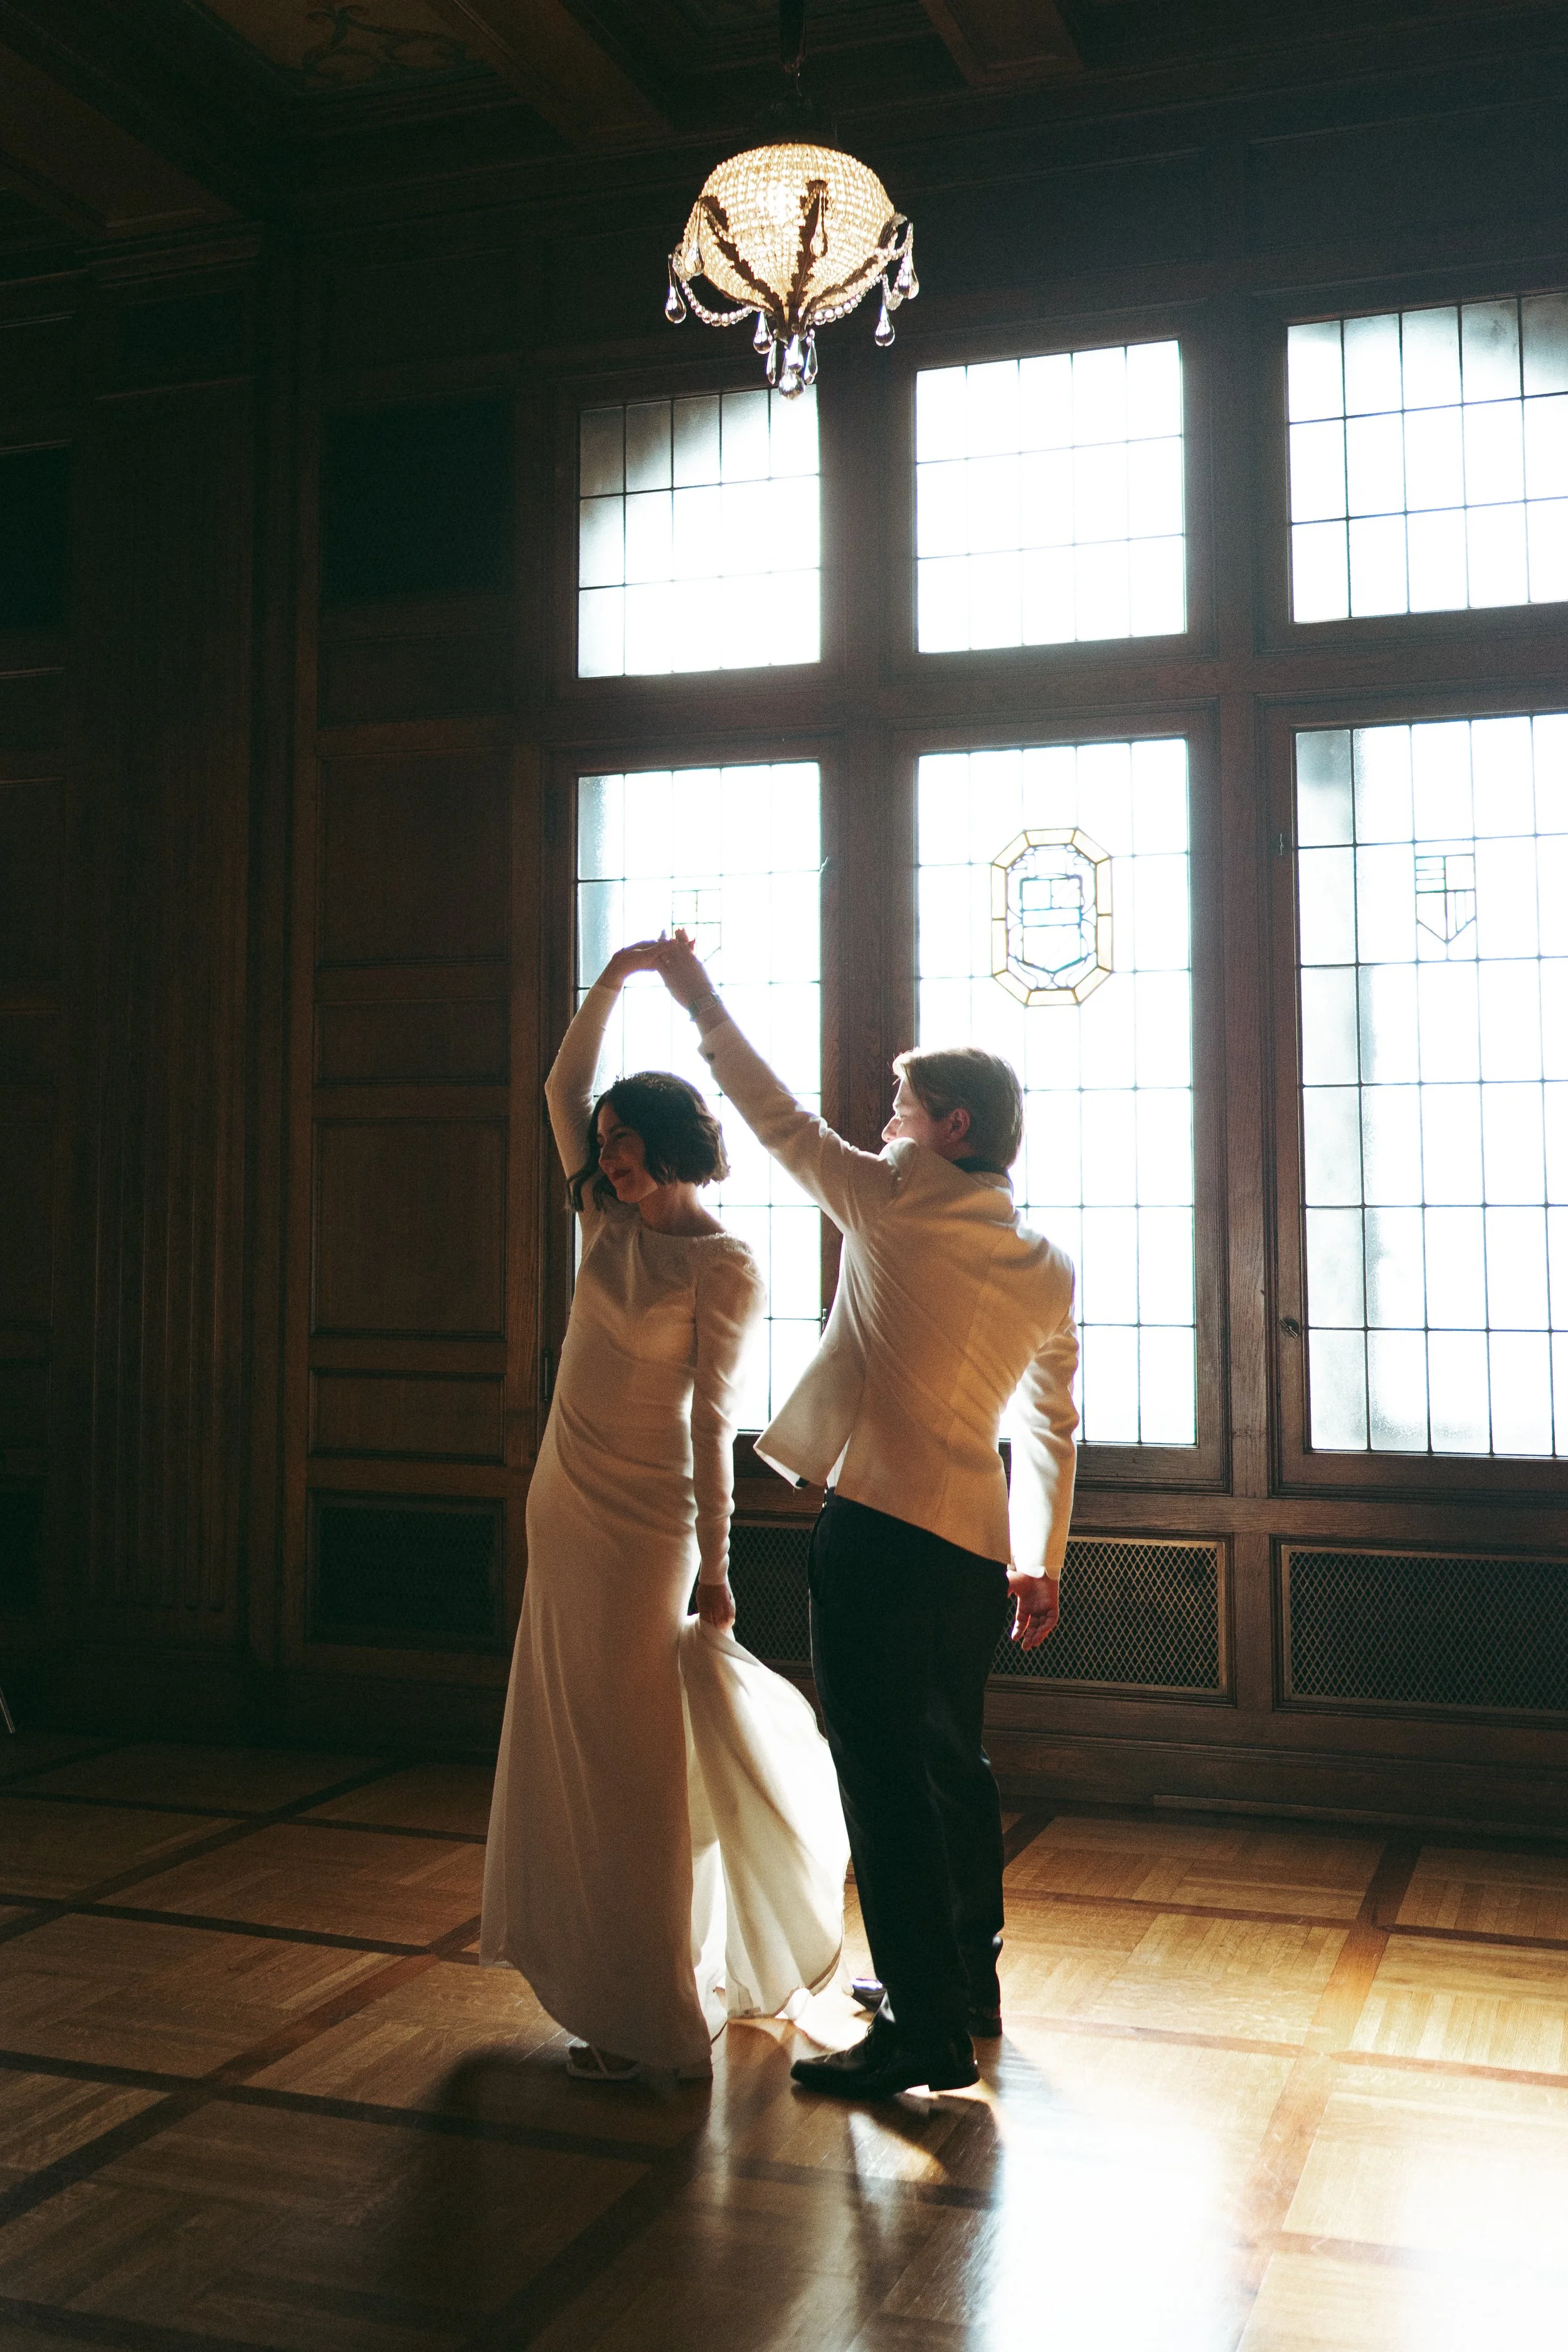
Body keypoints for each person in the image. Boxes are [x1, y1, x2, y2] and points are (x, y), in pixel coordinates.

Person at [655, 931, 1079, 2100]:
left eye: (902, 1107)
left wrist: (699, 997)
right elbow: (1052, 1425)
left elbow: (777, 1119)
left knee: (883, 1777)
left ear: (952, 1126)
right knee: (951, 1764)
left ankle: (924, 2032)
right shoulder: (1046, 1262)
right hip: (975, 1551)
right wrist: (1038, 1559)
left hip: (880, 1532)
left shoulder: (893, 1201)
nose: (885, 1122)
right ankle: (966, 1981)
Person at [480, 944, 848, 2084]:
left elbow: (714, 1424)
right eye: (600, 1146)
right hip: (564, 1507)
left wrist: (719, 1568)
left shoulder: (722, 1265)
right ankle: (604, 1986)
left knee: (635, 1760)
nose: (605, 1158)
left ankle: (656, 2014)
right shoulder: (602, 1218)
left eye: (622, 1141)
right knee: (570, 1742)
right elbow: (559, 1086)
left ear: (669, 1142)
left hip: (649, 1525)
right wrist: (618, 977)